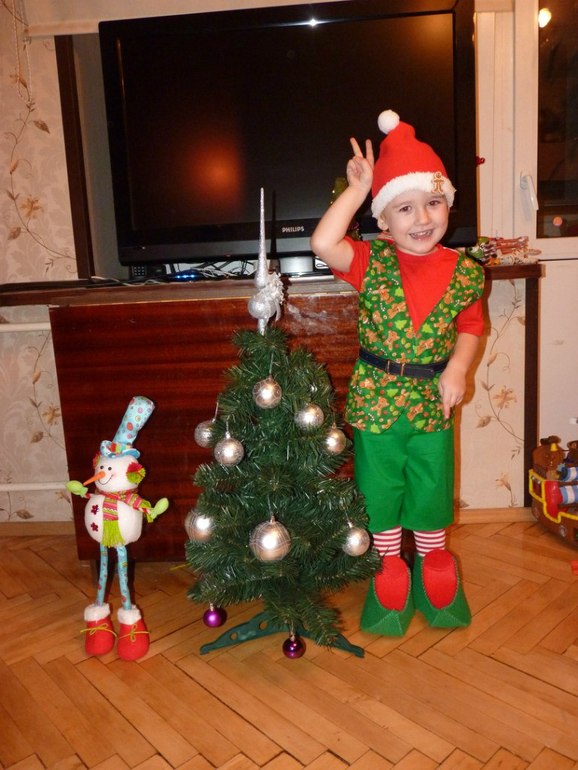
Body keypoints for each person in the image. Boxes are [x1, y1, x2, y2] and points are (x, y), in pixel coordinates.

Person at [310, 110, 485, 636]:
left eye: (433, 202)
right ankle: (389, 569)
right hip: (377, 399)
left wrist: (458, 368)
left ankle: (434, 566)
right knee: (380, 488)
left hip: (434, 399)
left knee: (431, 484)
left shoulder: (465, 272)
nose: (422, 218)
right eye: (405, 208)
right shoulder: (372, 261)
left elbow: (470, 326)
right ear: (384, 220)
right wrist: (356, 192)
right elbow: (323, 244)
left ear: (448, 203)